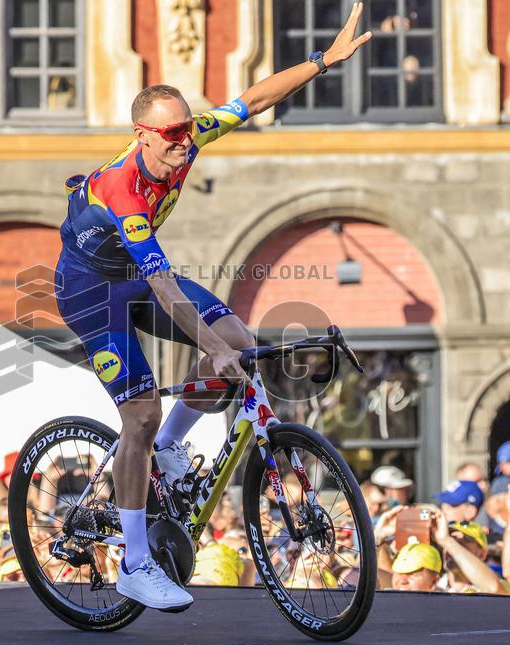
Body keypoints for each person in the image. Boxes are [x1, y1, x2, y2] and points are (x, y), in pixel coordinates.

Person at [51, 4, 371, 611]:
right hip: (93, 293)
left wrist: (322, 61)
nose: (181, 142)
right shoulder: (124, 191)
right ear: (141, 134)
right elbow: (168, 287)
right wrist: (212, 347)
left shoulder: (191, 135)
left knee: (241, 344)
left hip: (141, 281)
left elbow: (251, 98)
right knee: (140, 416)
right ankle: (136, 563)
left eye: (184, 130)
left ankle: (173, 446)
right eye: (168, 135)